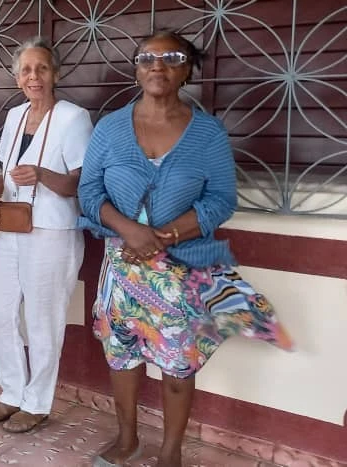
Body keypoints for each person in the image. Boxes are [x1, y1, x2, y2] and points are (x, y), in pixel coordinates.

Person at [78, 30, 292, 467]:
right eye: (146, 58)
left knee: (178, 364)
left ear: (188, 69)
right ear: (136, 69)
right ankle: (126, 441)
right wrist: (129, 230)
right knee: (122, 358)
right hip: (123, 269)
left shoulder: (207, 134)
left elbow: (221, 200)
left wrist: (166, 235)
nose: (157, 65)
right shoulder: (110, 128)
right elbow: (88, 192)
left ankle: (171, 453)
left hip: (180, 272)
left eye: (170, 57)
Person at [0, 38, 94, 433]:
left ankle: (37, 402)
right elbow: (6, 170)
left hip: (51, 231)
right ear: (16, 78)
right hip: (12, 224)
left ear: (55, 74)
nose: (34, 76)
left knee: (43, 319)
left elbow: (82, 182)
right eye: (26, 70)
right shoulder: (14, 116)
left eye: (42, 68)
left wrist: (43, 175)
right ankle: (11, 393)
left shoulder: (73, 118)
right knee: (0, 314)